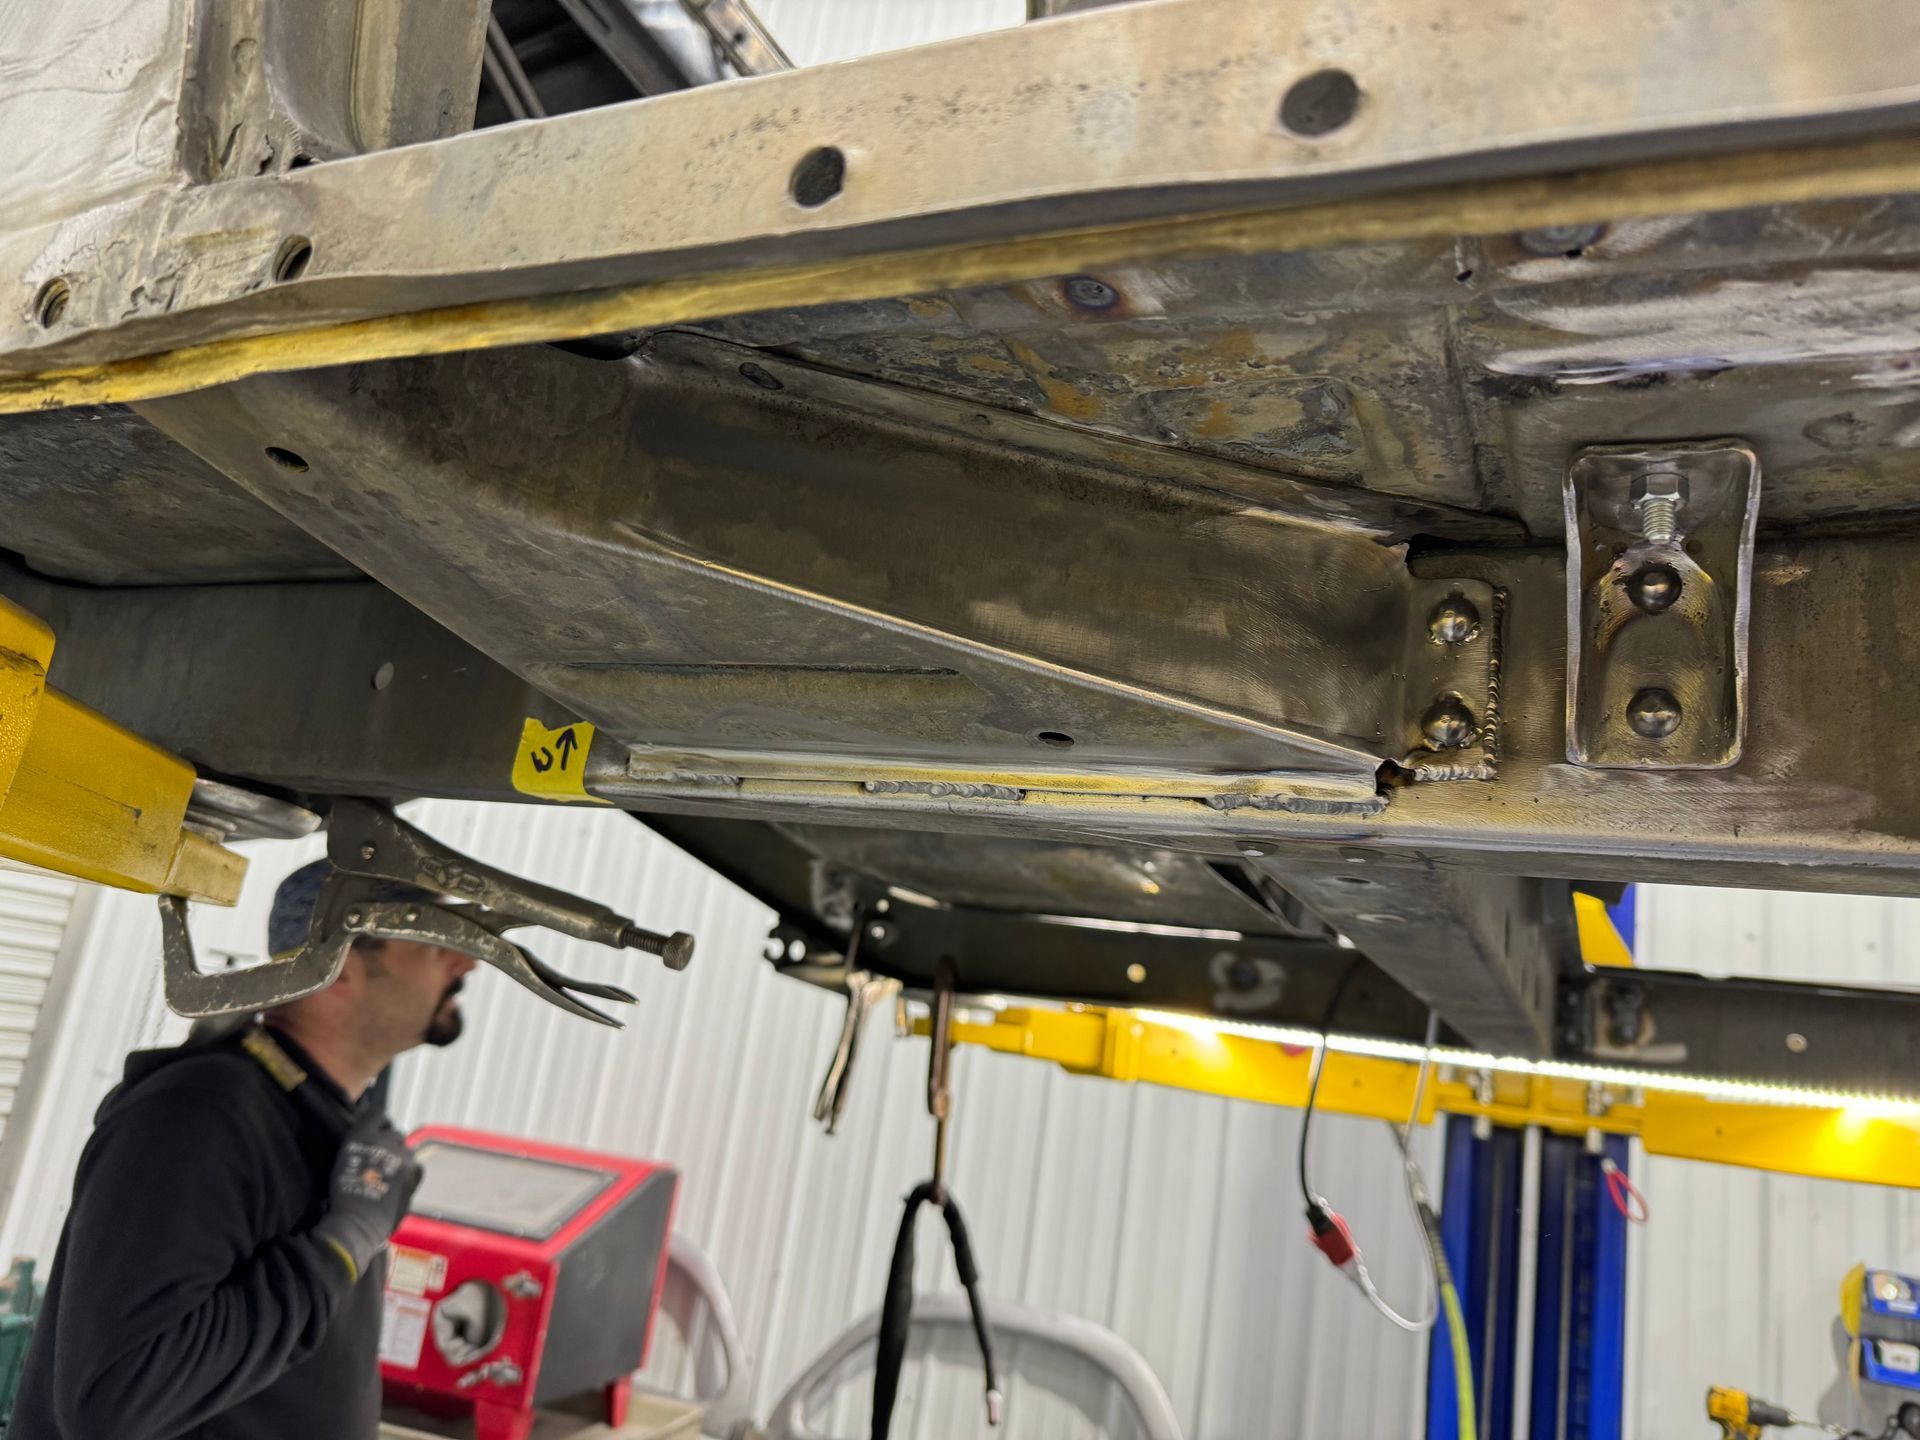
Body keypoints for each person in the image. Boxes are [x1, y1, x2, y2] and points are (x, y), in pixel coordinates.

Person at [12, 860, 479, 1440]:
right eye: (434, 944)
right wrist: (340, 1246)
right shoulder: (200, 1114)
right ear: (338, 965)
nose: (466, 963)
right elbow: (119, 1397)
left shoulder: (316, 1122)